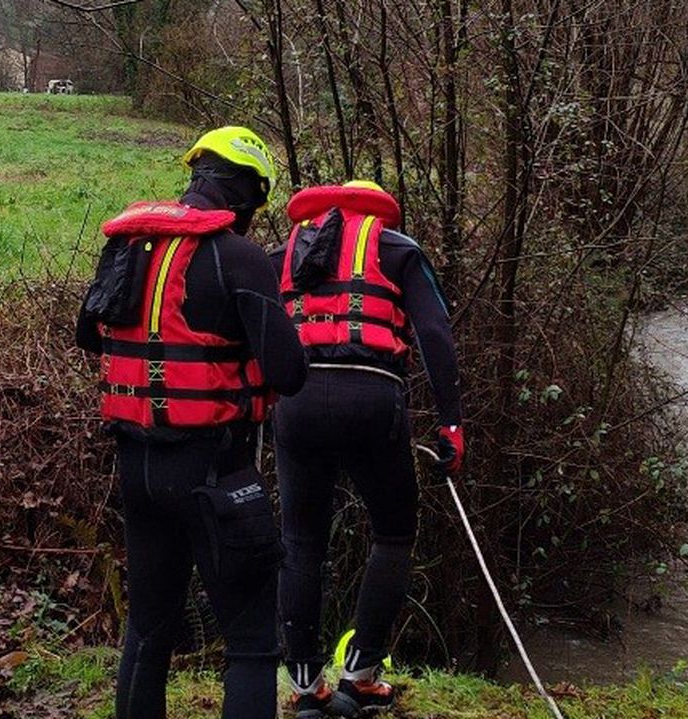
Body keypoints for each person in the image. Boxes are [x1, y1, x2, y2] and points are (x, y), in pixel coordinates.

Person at [76, 127, 307, 719]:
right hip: (216, 471)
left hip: (137, 467)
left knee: (148, 629)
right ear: (249, 193)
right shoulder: (239, 257)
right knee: (252, 640)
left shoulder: (128, 243)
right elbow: (289, 373)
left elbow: (89, 335)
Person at [271, 180, 463, 718]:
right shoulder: (398, 249)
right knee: (394, 533)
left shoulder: (280, 255)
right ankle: (359, 677)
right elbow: (435, 334)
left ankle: (306, 687)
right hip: (371, 398)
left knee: (301, 541)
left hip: (297, 401)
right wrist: (450, 421)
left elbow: (255, 333)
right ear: (376, 215)